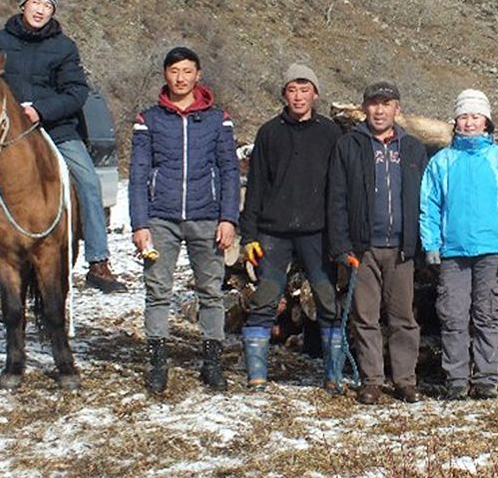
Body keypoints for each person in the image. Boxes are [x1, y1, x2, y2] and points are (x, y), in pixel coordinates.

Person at [0, 0, 126, 299]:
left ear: (53, 12)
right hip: (3, 134)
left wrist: (41, 109)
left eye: (47, 5)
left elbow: (76, 91)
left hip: (55, 129)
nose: (40, 10)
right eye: (35, 2)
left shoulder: (64, 47)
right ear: (23, 4)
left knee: (88, 182)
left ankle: (98, 262)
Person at [129, 47, 240, 393]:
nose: (181, 78)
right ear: (165, 74)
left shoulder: (216, 118)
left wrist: (229, 218)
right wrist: (139, 224)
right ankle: (158, 362)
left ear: (198, 75)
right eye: (174, 71)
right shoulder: (149, 119)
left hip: (207, 217)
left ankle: (211, 362)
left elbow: (229, 170)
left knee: (211, 291)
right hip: (160, 218)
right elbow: (137, 174)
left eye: (187, 71)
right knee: (157, 291)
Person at [238, 63, 343, 391]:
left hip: (318, 231)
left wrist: (341, 237)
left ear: (315, 93)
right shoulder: (269, 133)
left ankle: (333, 374)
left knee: (327, 299)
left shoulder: (330, 133)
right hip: (274, 231)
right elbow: (255, 186)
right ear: (284, 94)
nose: (299, 97)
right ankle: (257, 375)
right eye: (292, 90)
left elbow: (339, 189)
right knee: (265, 299)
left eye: (305, 90)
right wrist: (249, 235)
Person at [420, 89, 498, 400]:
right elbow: (430, 206)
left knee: (489, 316)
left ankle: (486, 379)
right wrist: (431, 244)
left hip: (492, 251)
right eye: (464, 116)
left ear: (486, 122)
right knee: (453, 316)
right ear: (455, 121)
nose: (469, 122)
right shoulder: (442, 162)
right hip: (452, 253)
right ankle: (455, 379)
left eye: (475, 117)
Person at [327, 81, 427, 405]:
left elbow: (424, 199)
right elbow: (337, 198)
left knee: (403, 318)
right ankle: (371, 380)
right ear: (364, 107)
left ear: (397, 108)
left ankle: (405, 380)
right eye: (373, 104)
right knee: (365, 317)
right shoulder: (349, 145)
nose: (380, 110)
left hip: (401, 247)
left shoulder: (412, 148)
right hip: (364, 247)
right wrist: (342, 246)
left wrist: (421, 244)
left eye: (386, 104)